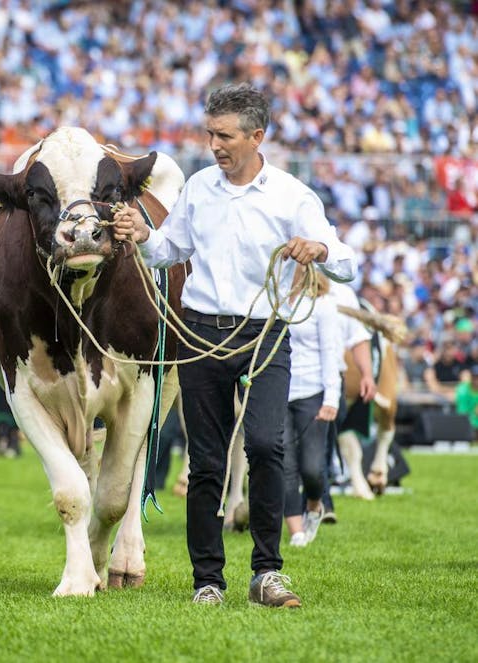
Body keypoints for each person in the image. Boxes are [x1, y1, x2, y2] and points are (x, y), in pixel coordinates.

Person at [113, 83, 356, 608]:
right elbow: (170, 250)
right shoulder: (198, 188)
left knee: (267, 446)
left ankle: (267, 573)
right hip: (201, 332)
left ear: (256, 136)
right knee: (205, 462)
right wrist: (144, 236)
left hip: (266, 333)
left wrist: (318, 248)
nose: (214, 145)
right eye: (210, 134)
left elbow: (346, 261)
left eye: (224, 136)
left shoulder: (293, 195)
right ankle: (208, 581)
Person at [282, 269, 340, 549]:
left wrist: (332, 398)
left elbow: (331, 352)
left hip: (312, 391)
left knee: (312, 468)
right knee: (284, 464)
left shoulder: (322, 304)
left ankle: (314, 505)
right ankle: (296, 530)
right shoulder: (272, 298)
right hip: (279, 391)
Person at [321, 280, 376, 522]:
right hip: (291, 378)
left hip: (333, 379)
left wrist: (367, 374)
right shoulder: (285, 284)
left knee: (324, 443)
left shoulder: (342, 293)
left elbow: (357, 337)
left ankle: (320, 501)